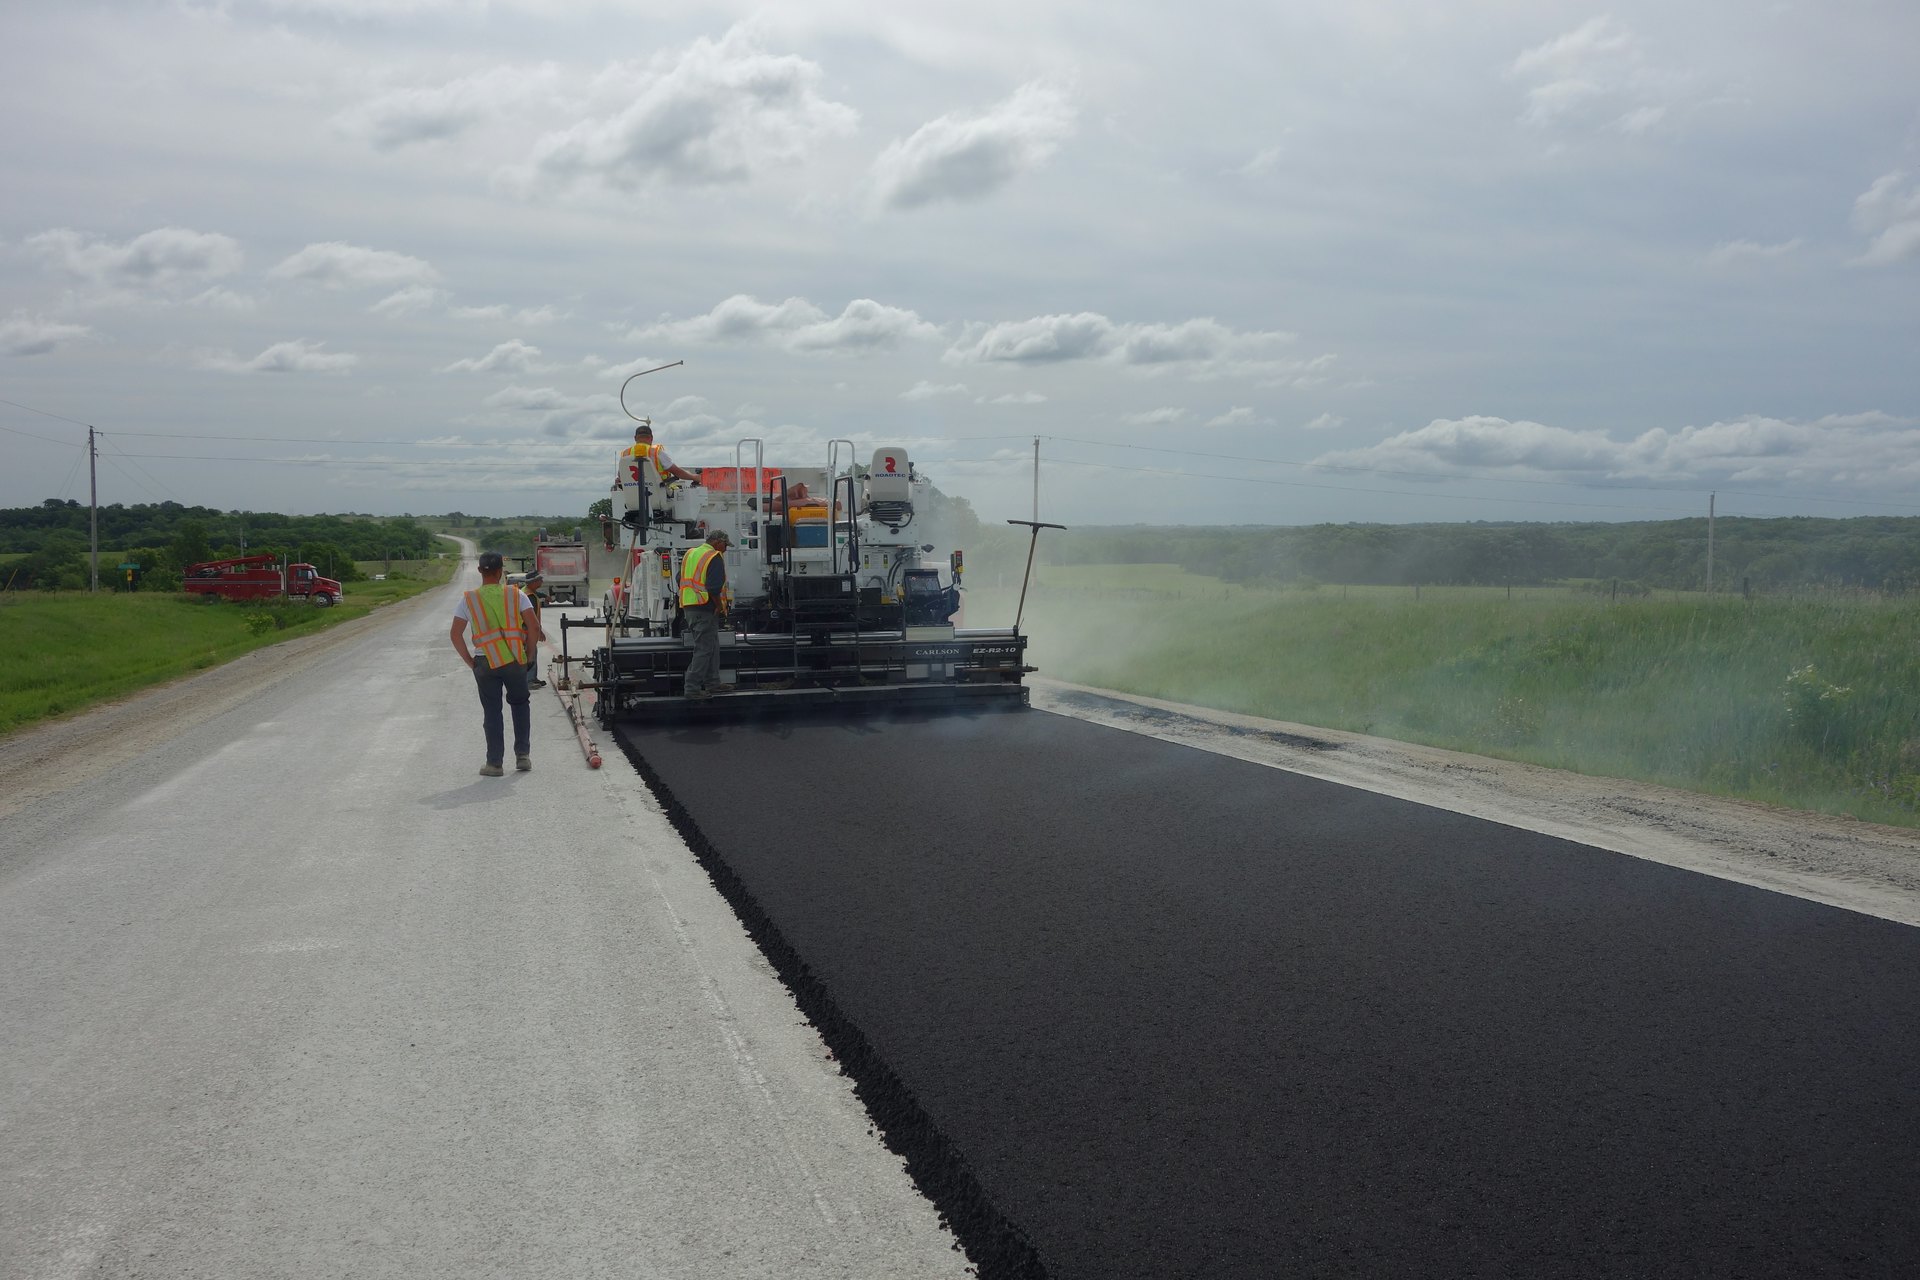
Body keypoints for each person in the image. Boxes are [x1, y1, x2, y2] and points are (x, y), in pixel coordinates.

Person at [450, 550, 543, 776]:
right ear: (501, 572)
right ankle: (523, 756)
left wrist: (470, 661)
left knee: (492, 712)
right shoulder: (515, 595)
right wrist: (529, 655)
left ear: (480, 571)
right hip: (513, 660)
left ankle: (494, 764)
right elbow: (534, 627)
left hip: (485, 661)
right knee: (520, 705)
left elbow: (455, 634)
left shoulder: (469, 599)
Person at [679, 530, 730, 700]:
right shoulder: (713, 557)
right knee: (704, 649)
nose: (725, 549)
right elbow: (714, 588)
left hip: (690, 607)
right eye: (725, 545)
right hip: (704, 608)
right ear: (717, 542)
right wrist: (720, 607)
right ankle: (692, 688)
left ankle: (713, 683)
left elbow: (681, 577)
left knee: (712, 646)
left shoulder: (691, 553)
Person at [519, 570, 548, 689]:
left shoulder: (527, 591)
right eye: (539, 580)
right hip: (526, 630)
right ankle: (529, 680)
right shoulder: (529, 597)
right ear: (533, 582)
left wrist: (545, 596)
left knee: (533, 652)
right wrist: (538, 631)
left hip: (526, 630)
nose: (542, 581)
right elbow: (532, 618)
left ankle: (532, 678)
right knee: (530, 653)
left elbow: (537, 594)